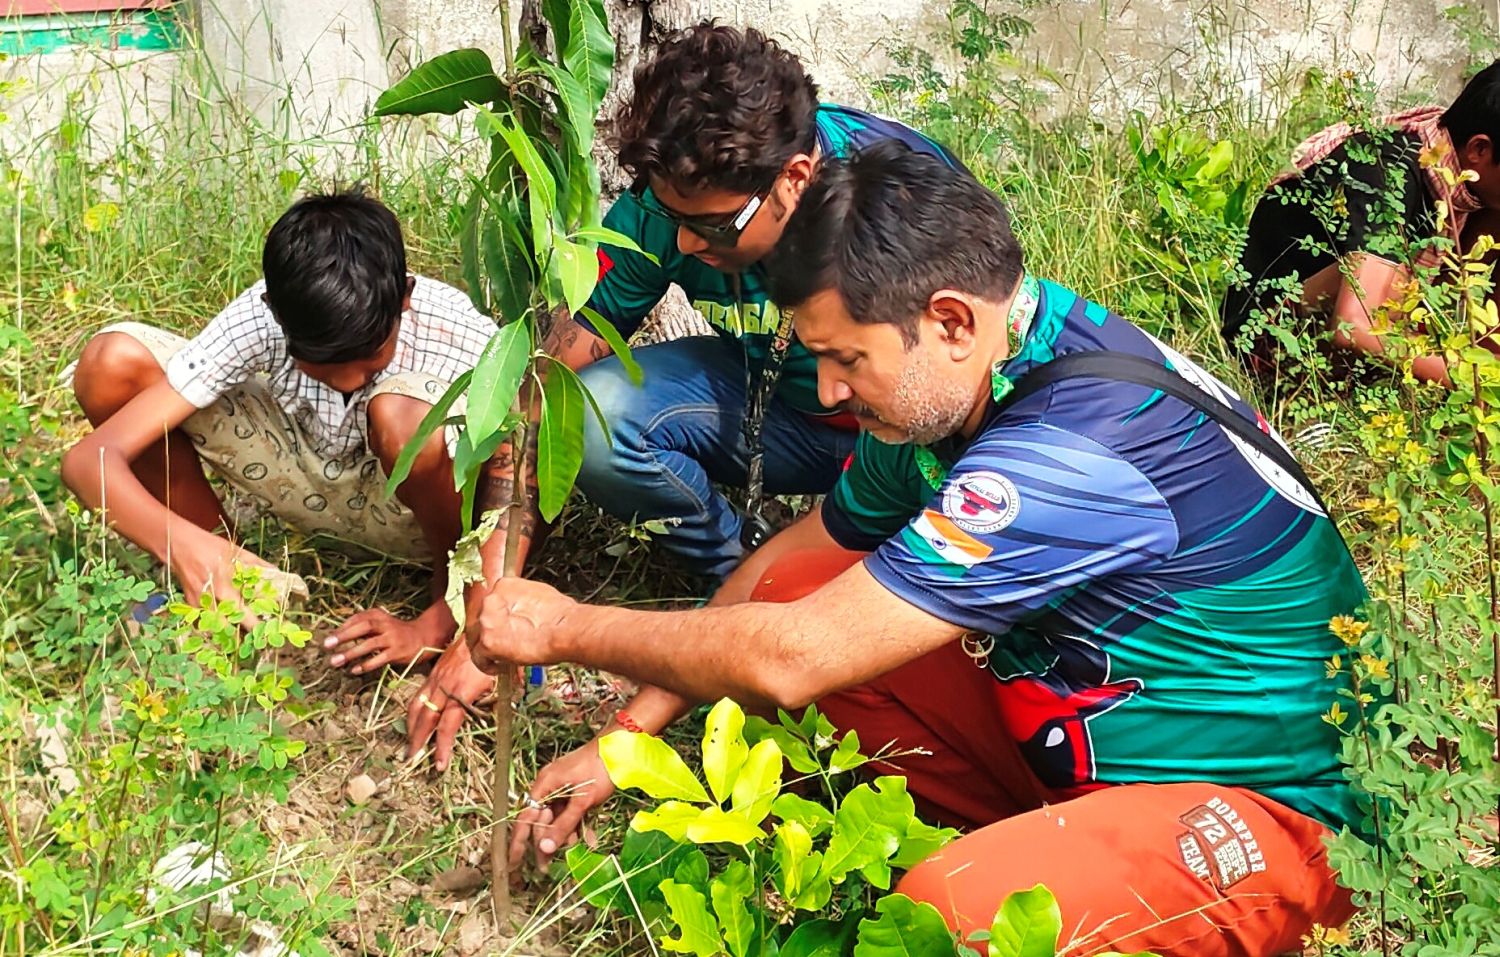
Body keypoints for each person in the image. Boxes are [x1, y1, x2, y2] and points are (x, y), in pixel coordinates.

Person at [467, 143, 1368, 957]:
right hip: (1104, 736)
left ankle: (1126, 896)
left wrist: (563, 627)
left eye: (845, 359)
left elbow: (793, 658)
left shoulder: (1065, 450)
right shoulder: (979, 371)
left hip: (1265, 813)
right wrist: (621, 741)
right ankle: (1052, 852)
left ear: (949, 322)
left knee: (945, 917)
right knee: (799, 588)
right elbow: (787, 575)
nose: (825, 389)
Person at [403, 22, 966, 771]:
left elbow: (957, 381)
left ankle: (789, 591)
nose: (691, 247)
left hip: (904, 431)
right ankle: (740, 573)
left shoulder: (896, 202)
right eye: (676, 223)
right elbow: (544, 388)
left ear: (794, 180)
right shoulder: (666, 212)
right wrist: (488, 604)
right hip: (786, 414)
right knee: (600, 414)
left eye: (711, 226)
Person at [62, 189, 494, 667]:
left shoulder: (462, 335)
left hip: (413, 515)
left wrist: (442, 620)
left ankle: (446, 601)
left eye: (371, 358)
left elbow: (518, 486)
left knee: (402, 414)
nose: (351, 381)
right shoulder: (268, 314)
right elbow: (88, 461)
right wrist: (185, 546)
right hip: (308, 476)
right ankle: (229, 585)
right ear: (273, 309)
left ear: (406, 297)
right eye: (322, 364)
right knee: (112, 366)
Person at [1222, 59, 1500, 387]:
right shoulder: (1390, 171)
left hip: (1362, 330)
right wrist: (1483, 380)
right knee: (1384, 275)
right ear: (1478, 149)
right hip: (1265, 339)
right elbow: (1354, 328)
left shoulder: (1467, 187)